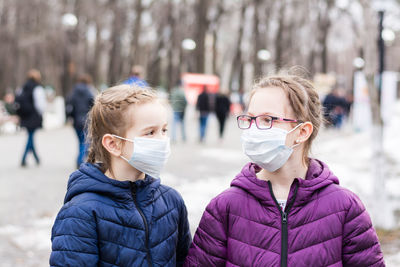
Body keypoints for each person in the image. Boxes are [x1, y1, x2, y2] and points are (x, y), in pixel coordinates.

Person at [184, 74, 384, 266]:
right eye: (250, 119)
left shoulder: (345, 208)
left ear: (302, 132)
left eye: (267, 120)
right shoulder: (225, 207)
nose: (254, 129)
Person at [50, 85, 191, 266]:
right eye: (150, 132)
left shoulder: (171, 201)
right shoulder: (80, 212)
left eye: (164, 130)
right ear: (113, 144)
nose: (162, 140)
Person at [15, 69, 46, 167]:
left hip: (24, 115)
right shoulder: (37, 88)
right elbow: (40, 104)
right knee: (30, 137)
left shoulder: (22, 87)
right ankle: (23, 159)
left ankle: (36, 158)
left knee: (30, 135)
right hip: (33, 116)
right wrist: (41, 114)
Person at [65, 74, 95, 168]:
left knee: (80, 141)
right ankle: (80, 161)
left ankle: (81, 159)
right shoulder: (89, 92)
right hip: (86, 121)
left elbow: (68, 105)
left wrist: (69, 117)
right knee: (85, 142)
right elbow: (94, 105)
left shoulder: (73, 92)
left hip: (76, 121)